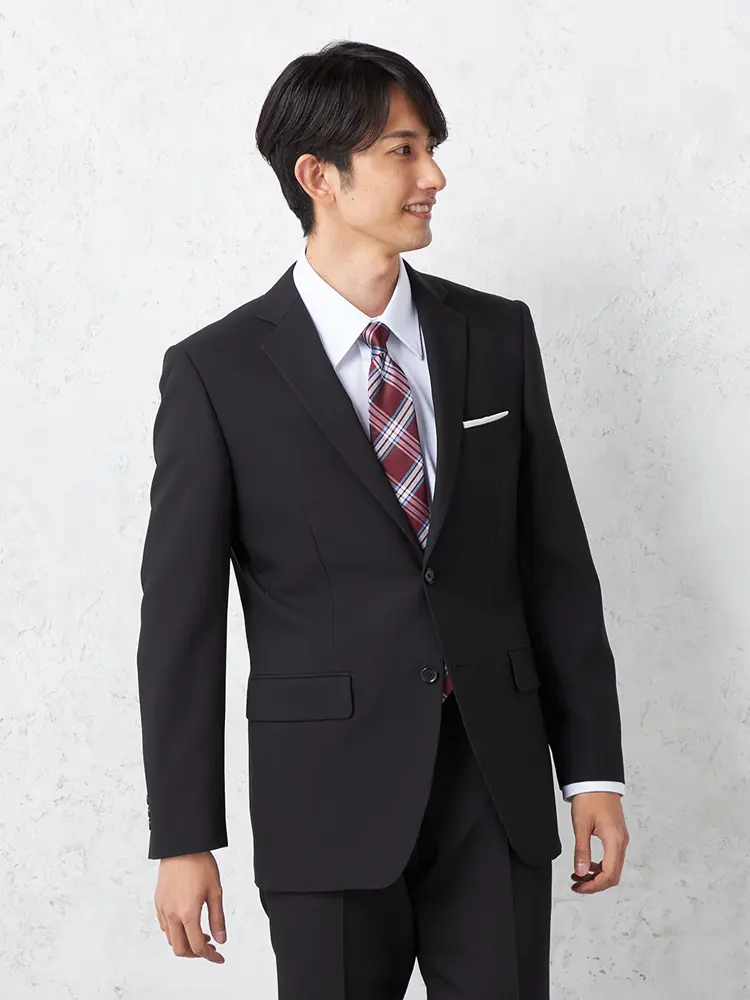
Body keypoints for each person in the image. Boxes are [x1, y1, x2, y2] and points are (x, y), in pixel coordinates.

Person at [136, 39, 629, 999]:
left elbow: (555, 566)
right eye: (404, 150)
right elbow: (181, 623)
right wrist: (183, 837)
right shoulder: (215, 373)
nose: (433, 175)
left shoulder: (497, 334)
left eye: (432, 148)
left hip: (496, 787)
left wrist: (593, 773)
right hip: (324, 800)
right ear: (317, 176)